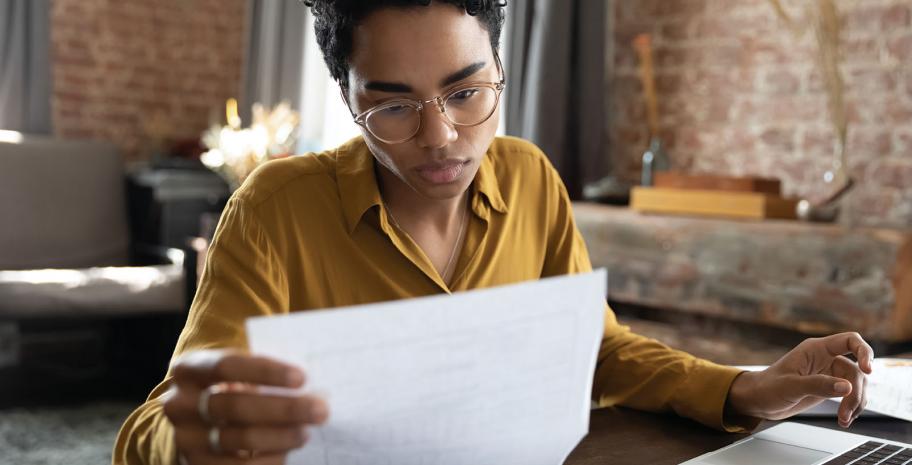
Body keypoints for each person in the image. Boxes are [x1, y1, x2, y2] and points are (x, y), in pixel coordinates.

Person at [113, 1, 873, 464]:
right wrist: (193, 438)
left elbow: (597, 350)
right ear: (348, 103)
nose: (442, 137)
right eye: (394, 106)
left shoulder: (532, 179)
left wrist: (747, 387)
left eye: (466, 90)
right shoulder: (275, 209)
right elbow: (152, 426)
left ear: (501, 68)